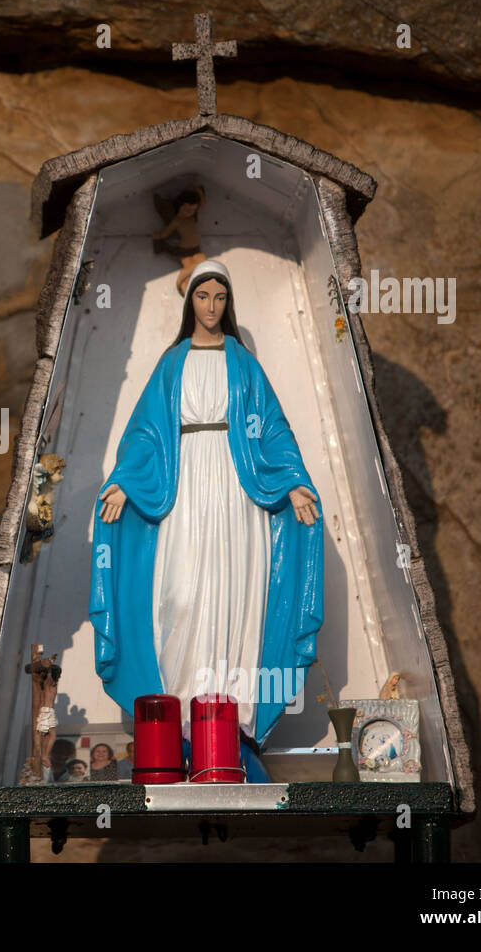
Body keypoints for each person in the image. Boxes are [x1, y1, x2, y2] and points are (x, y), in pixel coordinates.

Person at [89, 259, 324, 773]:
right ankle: (176, 724)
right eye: (203, 296)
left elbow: (275, 431)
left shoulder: (244, 365)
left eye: (220, 297)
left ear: (228, 303)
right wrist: (126, 482)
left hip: (238, 493)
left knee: (236, 594)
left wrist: (293, 481)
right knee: (180, 594)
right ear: (190, 301)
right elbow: (147, 432)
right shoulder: (172, 363)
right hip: (184, 491)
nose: (212, 307)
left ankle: (228, 731)